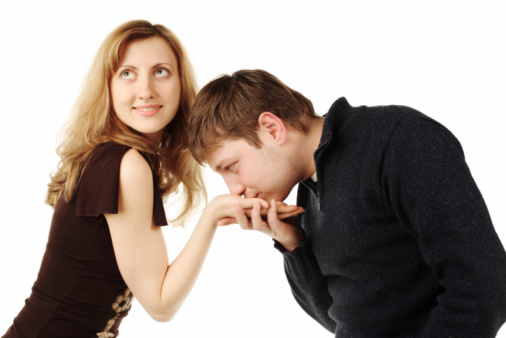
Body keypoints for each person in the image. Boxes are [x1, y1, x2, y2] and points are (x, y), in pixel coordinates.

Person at [2, 23, 301, 338]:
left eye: (160, 72)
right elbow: (161, 305)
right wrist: (212, 215)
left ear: (180, 83)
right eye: (127, 74)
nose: (145, 90)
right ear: (108, 86)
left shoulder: (112, 156)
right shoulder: (125, 165)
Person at [187, 69, 506, 337]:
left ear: (272, 128)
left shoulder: (399, 139)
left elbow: (485, 286)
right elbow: (341, 320)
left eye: (231, 167)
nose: (235, 189)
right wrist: (292, 244)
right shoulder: (307, 196)